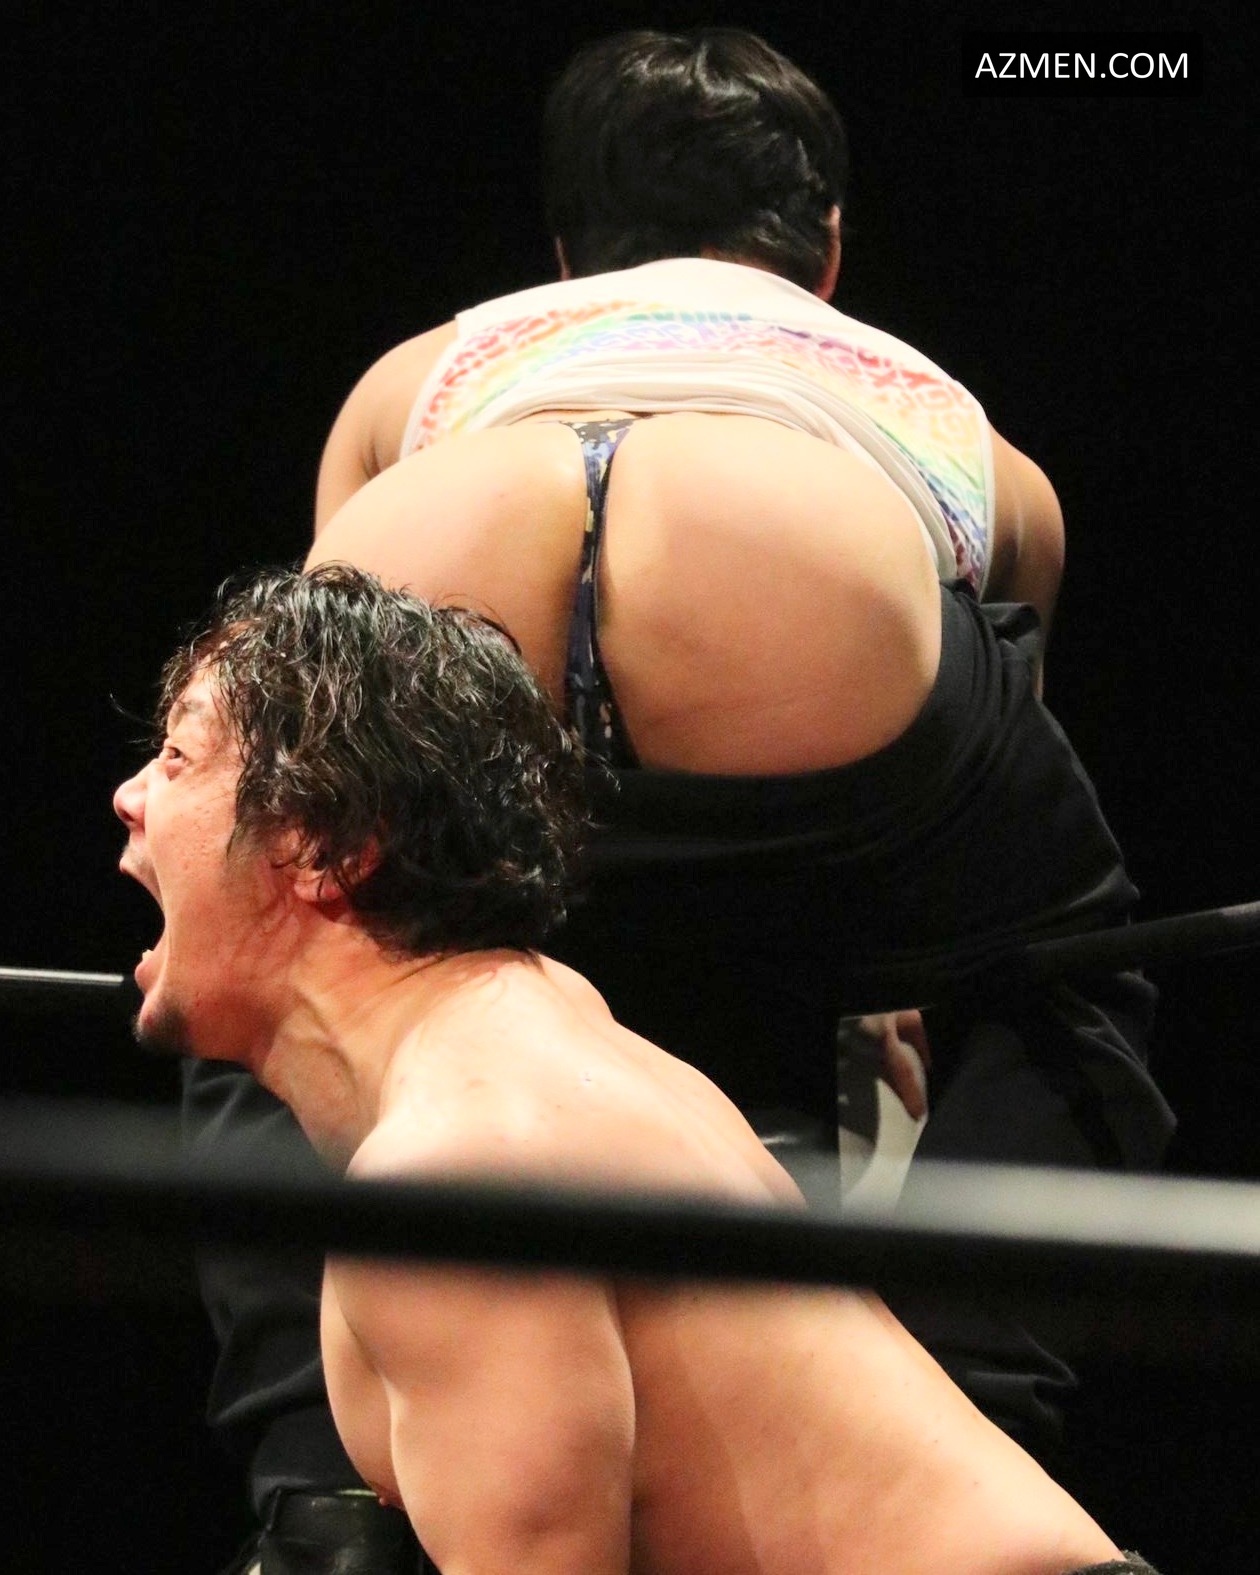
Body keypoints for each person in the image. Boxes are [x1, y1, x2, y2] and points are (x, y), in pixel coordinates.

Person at [182, 27, 1175, 1571]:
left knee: (286, 916)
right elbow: (985, 863)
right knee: (1066, 982)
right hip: (798, 575)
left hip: (464, 534)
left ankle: (323, 1500)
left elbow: (336, 697)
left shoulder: (420, 377)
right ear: (827, 249)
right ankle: (942, 1427)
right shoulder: (970, 438)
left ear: (564, 250)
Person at [121, 564, 1161, 1575]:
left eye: (176, 757)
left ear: (326, 848)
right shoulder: (533, 1033)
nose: (130, 797)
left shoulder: (457, 1168)